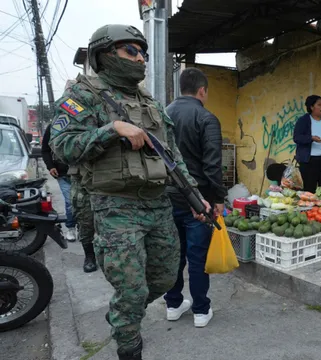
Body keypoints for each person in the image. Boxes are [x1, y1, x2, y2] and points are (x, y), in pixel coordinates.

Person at [49, 24, 209, 360]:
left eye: (143, 53)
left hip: (158, 204)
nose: (140, 59)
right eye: (130, 51)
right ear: (104, 55)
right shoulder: (84, 96)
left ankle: (123, 314)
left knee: (166, 278)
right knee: (132, 288)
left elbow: (172, 154)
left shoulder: (147, 100)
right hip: (115, 208)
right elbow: (62, 148)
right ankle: (129, 345)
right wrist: (112, 129)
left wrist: (195, 196)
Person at [163, 67, 227, 328]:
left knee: (173, 254)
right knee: (198, 256)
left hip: (165, 197)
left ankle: (173, 304)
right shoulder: (206, 118)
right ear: (202, 90)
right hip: (197, 201)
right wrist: (219, 197)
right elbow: (212, 165)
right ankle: (201, 310)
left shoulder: (163, 114)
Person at [293, 95, 321, 193]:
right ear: (311, 107)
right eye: (319, 105)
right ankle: (310, 208)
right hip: (310, 161)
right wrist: (311, 138)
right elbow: (297, 137)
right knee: (309, 190)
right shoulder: (304, 120)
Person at [41, 123, 76, 242]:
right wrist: (50, 166)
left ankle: (84, 228)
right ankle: (71, 228)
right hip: (63, 174)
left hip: (83, 173)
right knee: (70, 201)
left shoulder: (83, 122)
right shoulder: (54, 126)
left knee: (83, 203)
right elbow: (45, 150)